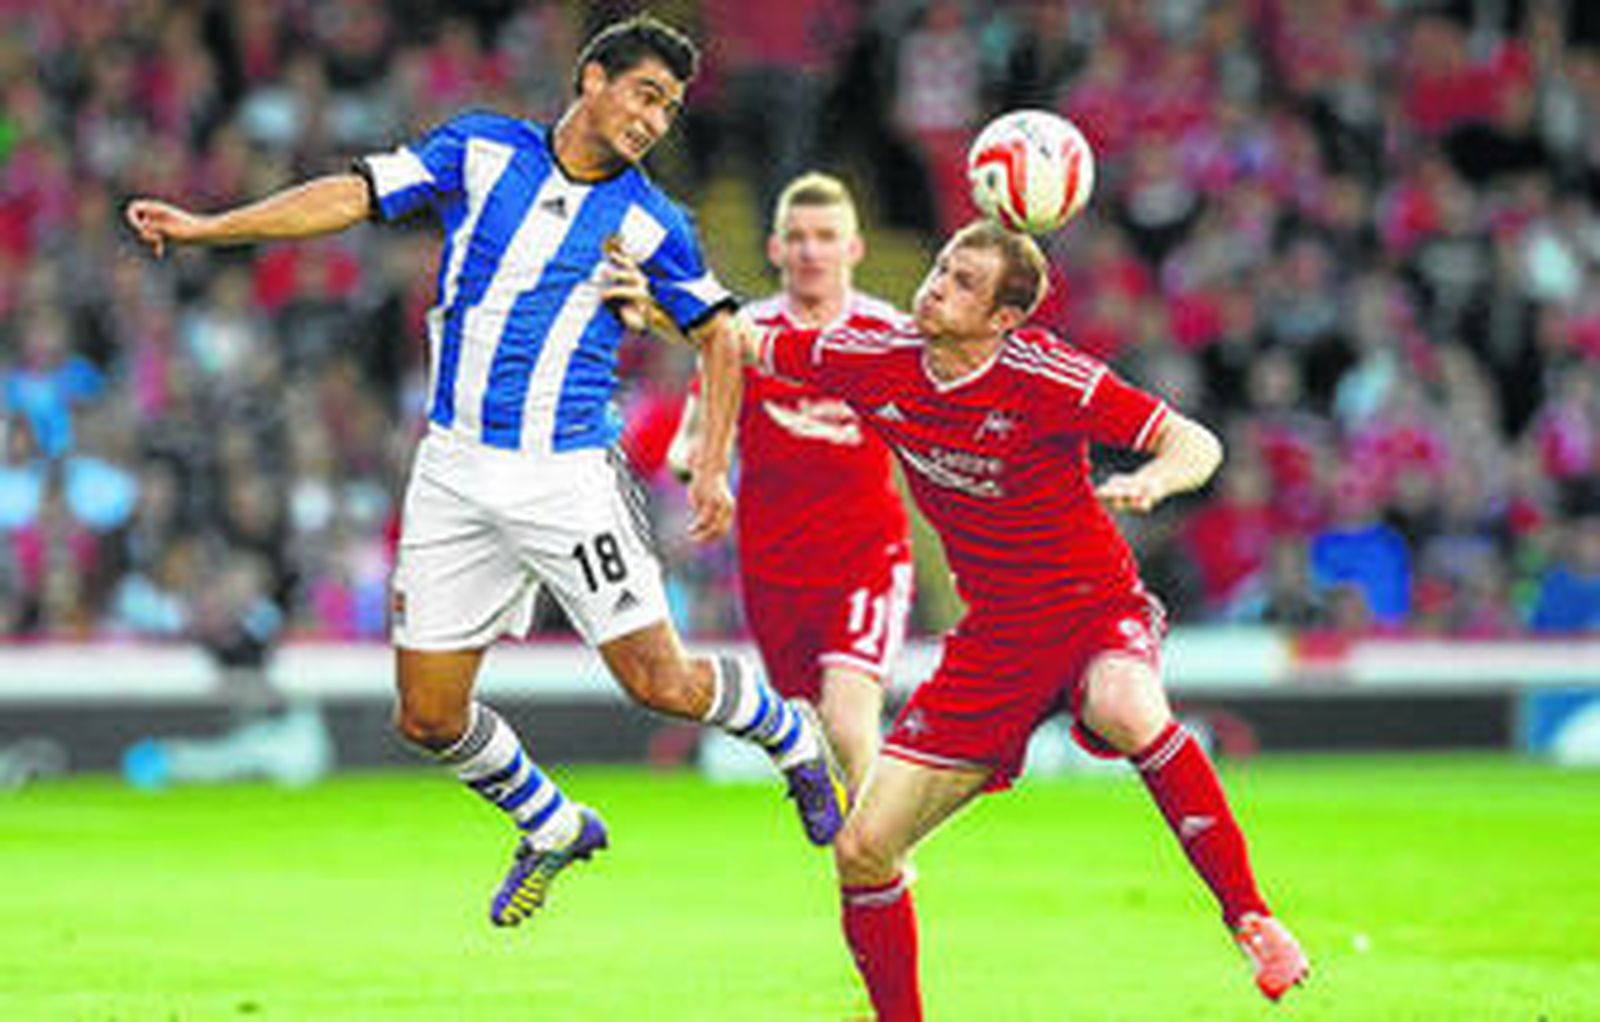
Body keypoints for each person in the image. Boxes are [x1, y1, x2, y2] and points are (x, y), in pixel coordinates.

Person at [124, 14, 846, 930]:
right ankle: (552, 822)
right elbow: (353, 193)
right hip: (453, 469)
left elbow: (721, 335)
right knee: (426, 716)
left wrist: (710, 469)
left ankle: (788, 730)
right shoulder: (481, 150)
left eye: (669, 107)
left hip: (567, 474)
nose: (654, 119)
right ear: (592, 78)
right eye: (644, 94)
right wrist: (210, 228)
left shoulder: (652, 221)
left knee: (658, 683)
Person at [732, 220, 1310, 1016]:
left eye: (963, 282)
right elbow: (742, 339)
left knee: (1124, 704)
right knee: (862, 850)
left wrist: (1156, 480)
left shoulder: (1047, 375)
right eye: (942, 267)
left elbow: (1194, 442)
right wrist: (651, 293)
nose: (936, 285)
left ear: (1004, 319)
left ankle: (1251, 919)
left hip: (1093, 610)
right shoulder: (875, 357)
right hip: (996, 642)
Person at [668, 172, 913, 794]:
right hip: (774, 565)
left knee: (849, 718)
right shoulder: (741, 334)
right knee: (813, 727)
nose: (811, 251)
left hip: (867, 556)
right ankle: (866, 838)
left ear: (854, 248)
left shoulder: (889, 335)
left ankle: (876, 849)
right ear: (774, 248)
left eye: (826, 236)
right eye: (797, 237)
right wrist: (698, 469)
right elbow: (692, 435)